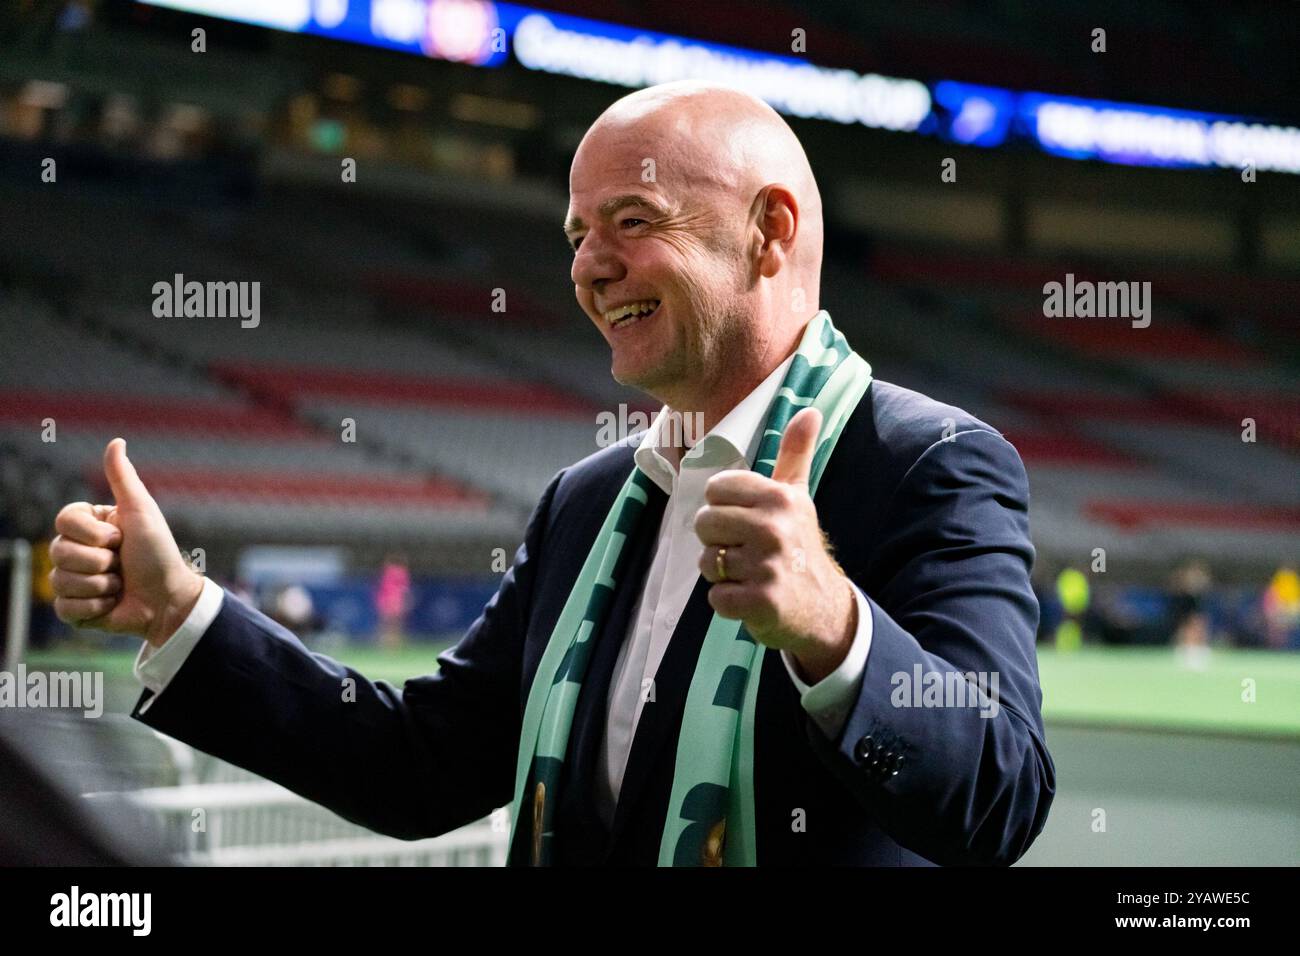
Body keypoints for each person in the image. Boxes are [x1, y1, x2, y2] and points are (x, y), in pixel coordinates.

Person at [47, 81, 1054, 866]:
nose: (586, 265)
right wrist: (179, 612)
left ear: (769, 231)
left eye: (630, 220)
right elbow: (421, 764)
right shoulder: (587, 500)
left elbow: (1000, 795)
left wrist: (834, 630)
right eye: (576, 235)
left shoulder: (928, 463)